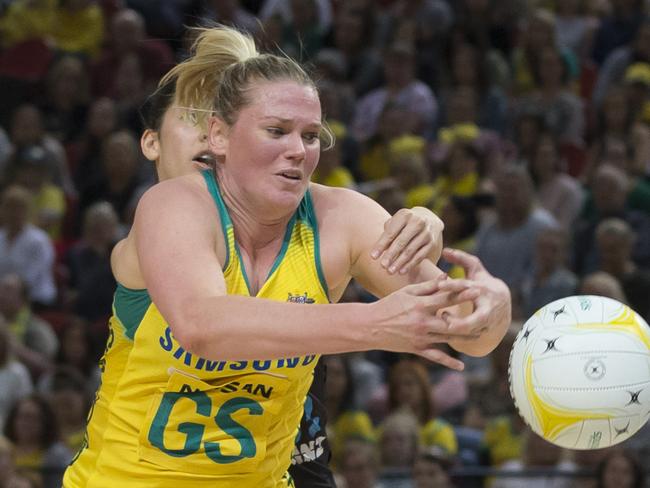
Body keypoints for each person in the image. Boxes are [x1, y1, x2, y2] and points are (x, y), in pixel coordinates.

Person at [64, 26, 511, 487]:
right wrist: (376, 323)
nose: (298, 151)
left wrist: (492, 302)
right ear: (218, 136)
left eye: (312, 136)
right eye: (276, 131)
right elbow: (202, 326)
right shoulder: (174, 204)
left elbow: (470, 334)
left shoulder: (344, 217)